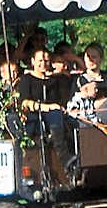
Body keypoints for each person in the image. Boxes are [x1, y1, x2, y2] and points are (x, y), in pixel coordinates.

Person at [16, 48, 76, 179]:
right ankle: (64, 157)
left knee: (67, 119)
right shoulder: (26, 79)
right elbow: (25, 103)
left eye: (46, 60)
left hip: (55, 117)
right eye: (40, 60)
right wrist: (46, 107)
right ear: (33, 61)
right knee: (54, 113)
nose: (43, 63)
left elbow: (60, 101)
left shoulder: (54, 80)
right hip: (34, 117)